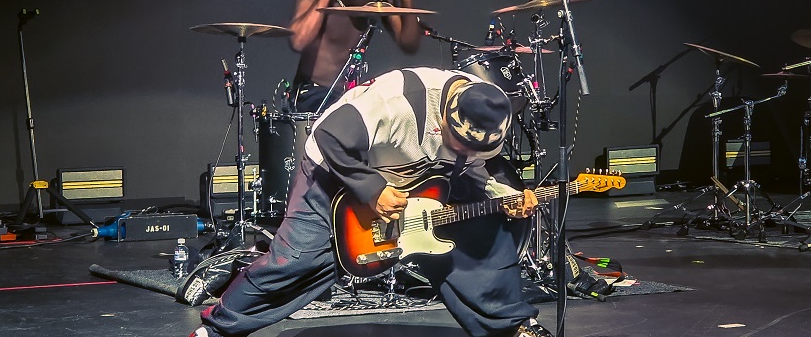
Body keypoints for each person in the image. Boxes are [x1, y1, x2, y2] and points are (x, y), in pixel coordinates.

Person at [190, 67, 553, 337]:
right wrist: (373, 189)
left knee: (480, 235)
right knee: (297, 260)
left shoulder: (488, 110)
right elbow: (330, 135)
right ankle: (216, 328)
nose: (463, 152)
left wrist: (506, 193)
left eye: (472, 148)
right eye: (458, 144)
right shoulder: (396, 102)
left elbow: (482, 166)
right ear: (444, 118)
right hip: (337, 169)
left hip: (414, 177)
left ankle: (511, 325)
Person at [287, 0, 422, 113]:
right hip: (312, 93)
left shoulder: (378, 2)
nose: (370, 10)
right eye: (367, 6)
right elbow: (298, 42)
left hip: (350, 95)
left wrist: (407, 0)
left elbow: (409, 45)